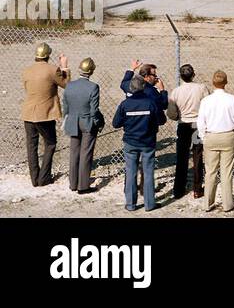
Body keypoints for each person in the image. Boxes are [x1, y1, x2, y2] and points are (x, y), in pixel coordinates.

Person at [112, 75, 169, 211]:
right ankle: (149, 204)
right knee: (148, 172)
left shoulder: (125, 104)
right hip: (147, 142)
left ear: (131, 87)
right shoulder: (151, 103)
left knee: (131, 171)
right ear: (144, 88)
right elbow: (162, 120)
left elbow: (116, 123)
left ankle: (131, 204)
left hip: (130, 142)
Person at [20, 42, 69, 187]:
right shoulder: (53, 70)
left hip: (28, 113)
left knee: (31, 146)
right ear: (48, 56)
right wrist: (64, 66)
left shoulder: (26, 71)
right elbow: (66, 84)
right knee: (50, 144)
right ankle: (44, 178)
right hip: (45, 114)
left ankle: (34, 179)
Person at [196, 70, 234, 213]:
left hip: (211, 136)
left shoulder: (206, 101)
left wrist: (204, 136)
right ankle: (228, 204)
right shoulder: (232, 99)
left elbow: (200, 121)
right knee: (226, 171)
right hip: (228, 136)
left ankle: (208, 203)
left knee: (210, 171)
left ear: (213, 83)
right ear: (226, 83)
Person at [62, 58, 103, 195]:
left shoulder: (69, 85)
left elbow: (66, 107)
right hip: (87, 123)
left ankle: (72, 183)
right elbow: (94, 111)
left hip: (73, 121)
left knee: (74, 153)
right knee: (86, 154)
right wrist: (99, 122)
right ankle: (83, 186)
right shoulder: (93, 87)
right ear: (91, 71)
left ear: (79, 69)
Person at [167, 64, 208, 200]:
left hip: (184, 125)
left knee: (182, 156)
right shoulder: (202, 88)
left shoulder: (176, 92)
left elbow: (171, 113)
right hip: (197, 125)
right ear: (193, 75)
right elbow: (207, 106)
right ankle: (197, 188)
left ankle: (178, 189)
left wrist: (179, 117)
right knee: (197, 155)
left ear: (181, 76)